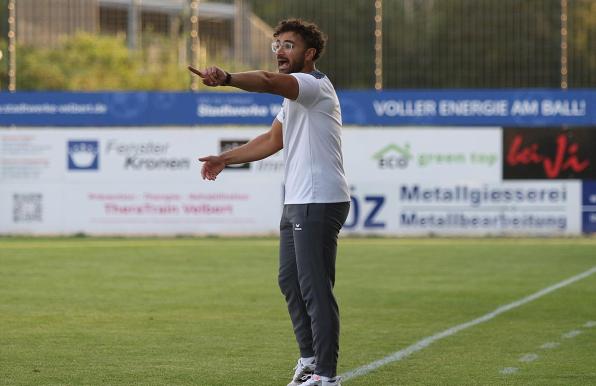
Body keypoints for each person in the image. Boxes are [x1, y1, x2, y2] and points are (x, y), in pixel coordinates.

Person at [192, 19, 350, 386]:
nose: (279, 51)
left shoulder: (312, 86)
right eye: (276, 44)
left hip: (318, 199)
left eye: (288, 45)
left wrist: (227, 77)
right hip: (298, 200)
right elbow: (271, 139)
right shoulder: (294, 98)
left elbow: (264, 80)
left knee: (314, 288)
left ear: (309, 54)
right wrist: (224, 159)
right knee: (290, 281)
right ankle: (310, 360)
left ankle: (326, 376)